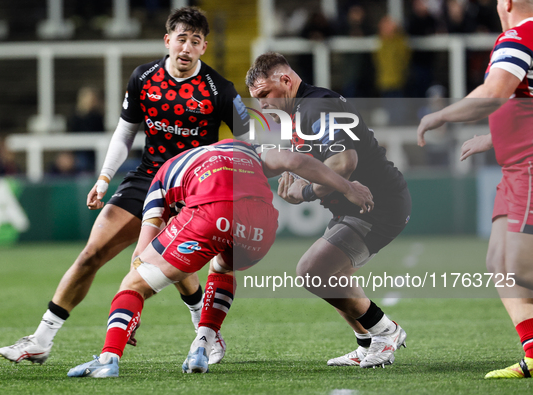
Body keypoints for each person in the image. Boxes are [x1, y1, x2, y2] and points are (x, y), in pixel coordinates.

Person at [0, 6, 250, 366]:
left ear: (203, 47)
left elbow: (250, 139)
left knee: (174, 268)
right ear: (168, 40)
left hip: (192, 187)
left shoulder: (219, 89)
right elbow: (125, 132)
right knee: (91, 254)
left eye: (195, 42)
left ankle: (206, 334)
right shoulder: (144, 77)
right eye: (181, 39)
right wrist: (103, 177)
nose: (187, 48)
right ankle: (41, 339)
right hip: (147, 178)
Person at [66, 139, 374, 377]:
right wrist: (347, 187)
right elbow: (295, 160)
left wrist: (140, 290)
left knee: (133, 283)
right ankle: (202, 344)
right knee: (222, 265)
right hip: (262, 223)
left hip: (210, 211)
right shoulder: (244, 149)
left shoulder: (160, 177)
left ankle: (108, 358)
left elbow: (142, 251)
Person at [246, 52, 412, 369]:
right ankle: (366, 344)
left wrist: (306, 191)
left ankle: (385, 331)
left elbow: (343, 163)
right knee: (334, 276)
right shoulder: (303, 110)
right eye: (257, 99)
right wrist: (298, 179)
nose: (263, 104)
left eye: (265, 94)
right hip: (360, 206)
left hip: (377, 204)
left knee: (311, 272)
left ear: (286, 80)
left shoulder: (315, 107)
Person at [417, 0, 533, 379]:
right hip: (515, 163)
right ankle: (532, 352)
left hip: (529, 166)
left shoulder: (520, 35)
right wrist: (493, 136)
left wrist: (440, 114)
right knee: (500, 261)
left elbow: (496, 91)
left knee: (519, 264)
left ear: (508, 4)